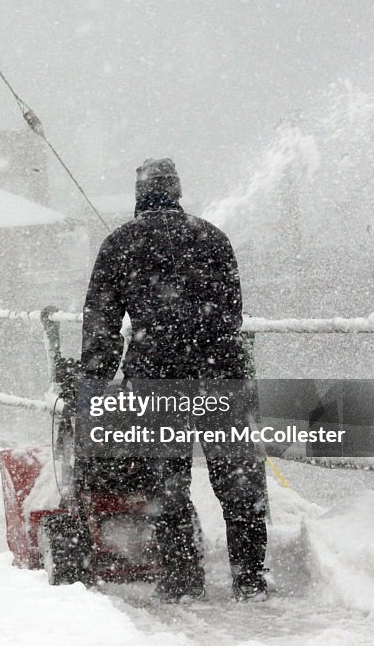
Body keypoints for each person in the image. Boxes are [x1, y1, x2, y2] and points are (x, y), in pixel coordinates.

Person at [79, 157, 269, 603]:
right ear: (178, 191)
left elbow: (101, 322)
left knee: (168, 482)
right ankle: (250, 579)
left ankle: (182, 580)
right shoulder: (214, 238)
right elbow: (231, 312)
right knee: (238, 478)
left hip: (155, 379)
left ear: (141, 193)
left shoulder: (120, 243)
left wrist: (93, 379)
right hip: (221, 376)